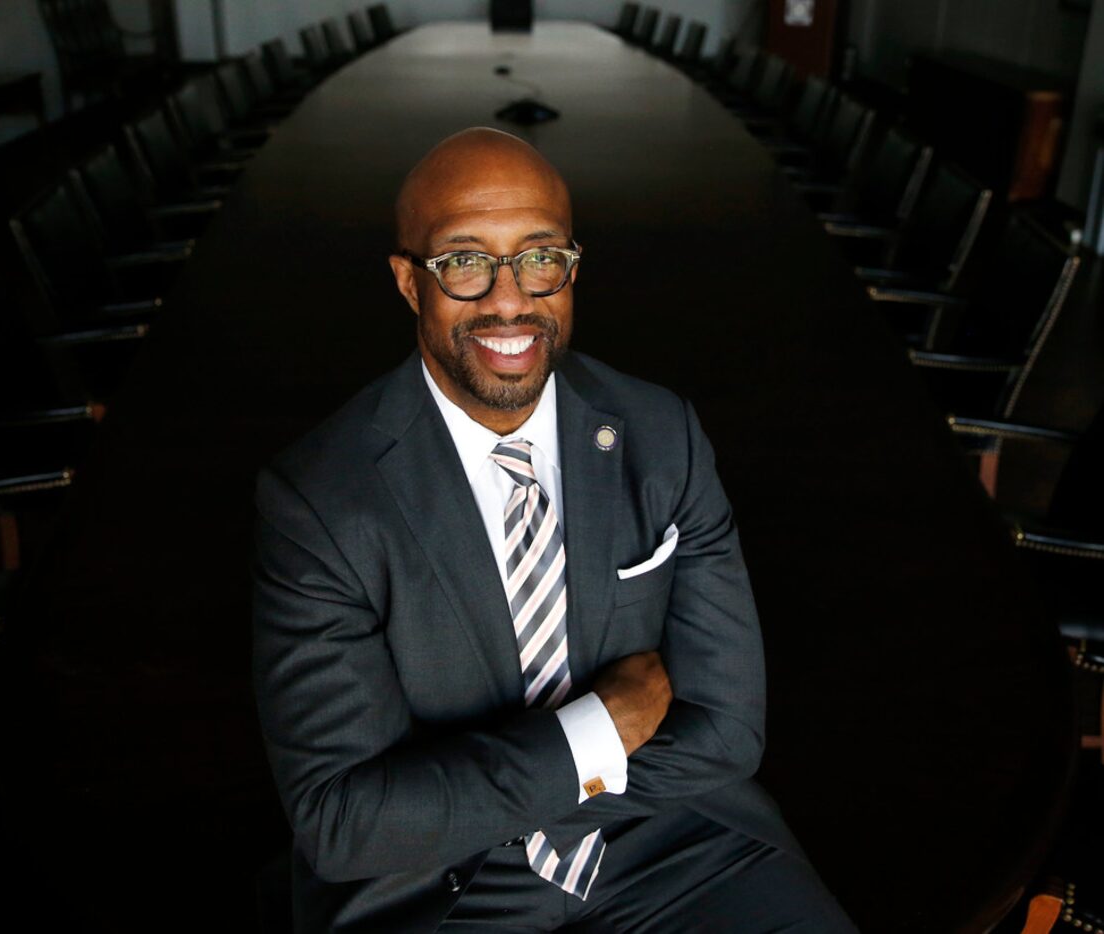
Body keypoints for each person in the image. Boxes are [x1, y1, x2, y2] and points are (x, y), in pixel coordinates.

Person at [252, 127, 855, 933]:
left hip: (673, 848)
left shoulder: (659, 433)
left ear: (572, 268)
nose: (510, 301)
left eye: (540, 259)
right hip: (438, 888)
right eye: (464, 262)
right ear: (408, 283)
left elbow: (726, 732)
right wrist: (594, 735)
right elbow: (346, 823)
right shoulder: (318, 502)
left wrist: (456, 798)